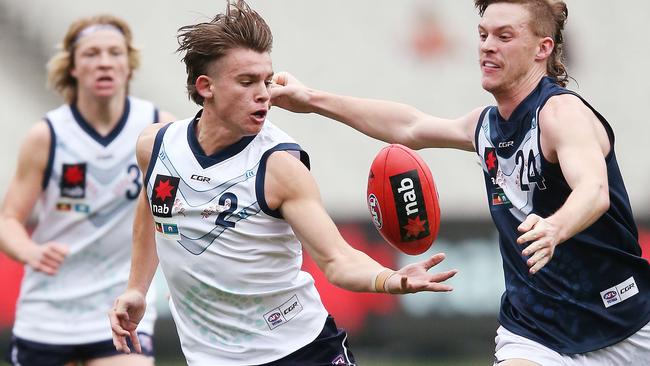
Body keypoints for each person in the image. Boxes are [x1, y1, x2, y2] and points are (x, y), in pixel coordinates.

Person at [269, 0, 650, 365]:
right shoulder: (486, 125)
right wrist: (310, 98)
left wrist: (555, 227)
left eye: (504, 36)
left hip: (626, 320)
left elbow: (594, 191)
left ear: (542, 48)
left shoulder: (561, 114)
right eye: (483, 35)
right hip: (536, 332)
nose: (487, 46)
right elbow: (409, 126)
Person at [107, 1, 458, 365]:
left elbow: (337, 259)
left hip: (299, 351)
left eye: (266, 80)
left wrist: (390, 279)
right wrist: (137, 288)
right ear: (205, 86)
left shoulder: (278, 165)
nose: (264, 94)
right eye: (246, 82)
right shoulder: (156, 146)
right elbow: (153, 208)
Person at [0, 14, 175, 366]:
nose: (105, 62)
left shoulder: (159, 129)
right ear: (73, 68)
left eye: (115, 53)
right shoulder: (48, 135)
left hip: (121, 308)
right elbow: (8, 220)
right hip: (48, 312)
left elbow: (168, 215)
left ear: (129, 66)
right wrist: (29, 252)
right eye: (92, 54)